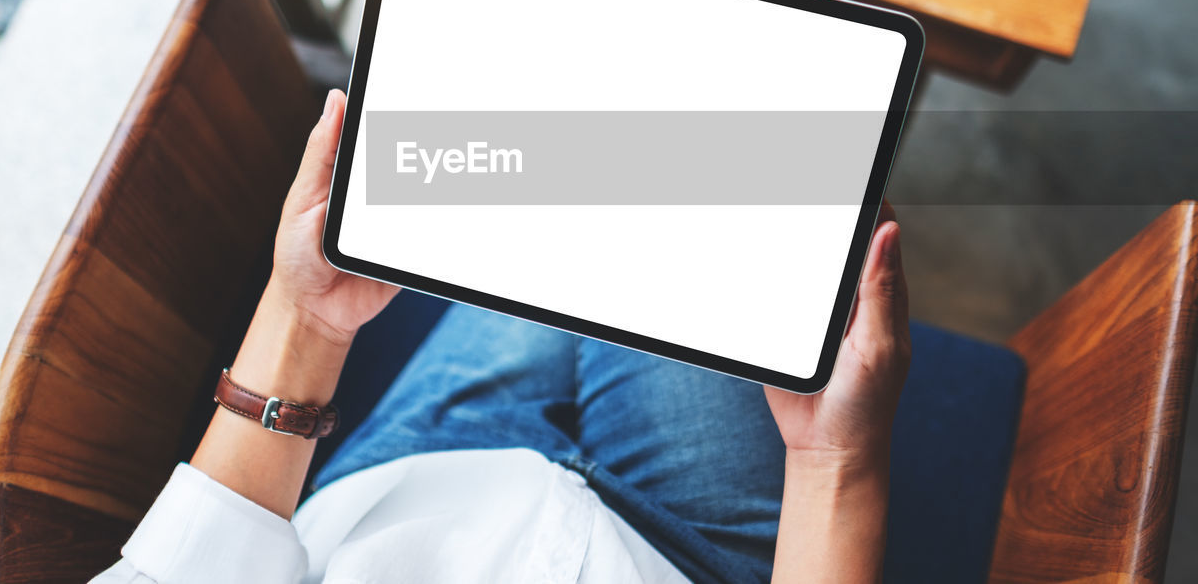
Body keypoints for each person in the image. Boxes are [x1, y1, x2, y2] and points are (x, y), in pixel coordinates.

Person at [93, 90, 911, 584]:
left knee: (589, 167)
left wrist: (304, 316)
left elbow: (192, 568)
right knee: (723, 172)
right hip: (689, 555)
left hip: (406, 501)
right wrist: (835, 463)